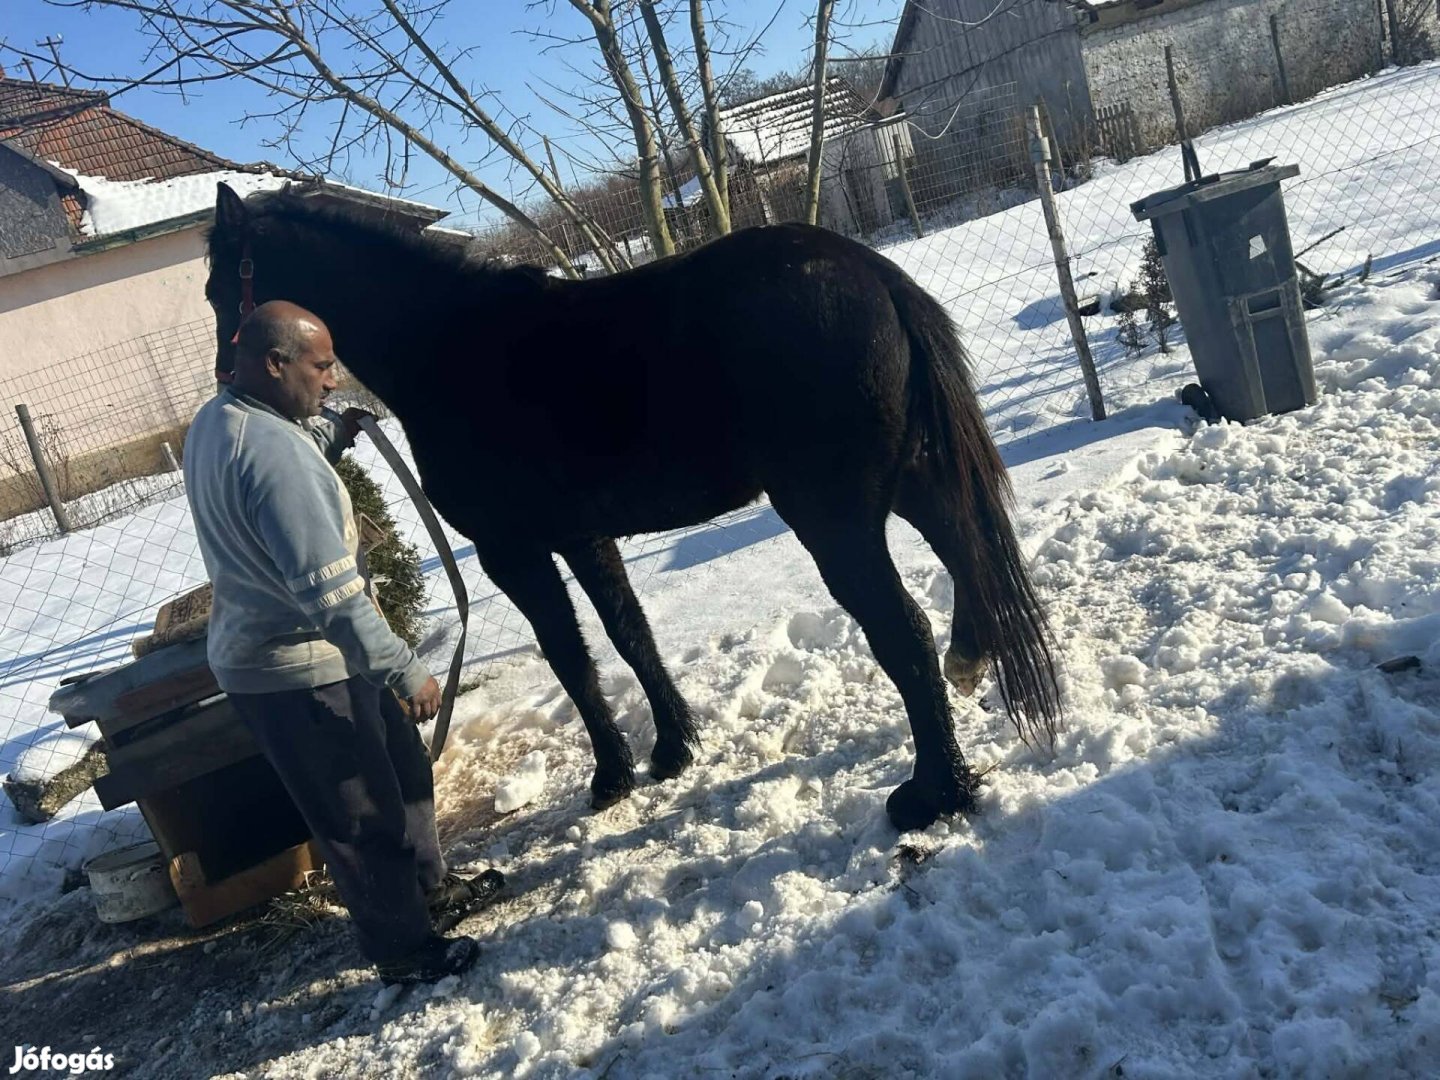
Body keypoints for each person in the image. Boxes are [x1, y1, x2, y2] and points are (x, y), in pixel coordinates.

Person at [184, 300, 498, 985]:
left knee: (404, 774)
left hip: (311, 653)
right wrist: (404, 669)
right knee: (361, 818)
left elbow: (277, 460)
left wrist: (332, 436)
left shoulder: (222, 418)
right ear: (275, 363)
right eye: (322, 367)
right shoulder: (274, 459)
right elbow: (333, 597)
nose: (333, 382)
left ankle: (428, 889)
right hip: (294, 669)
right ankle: (404, 950)